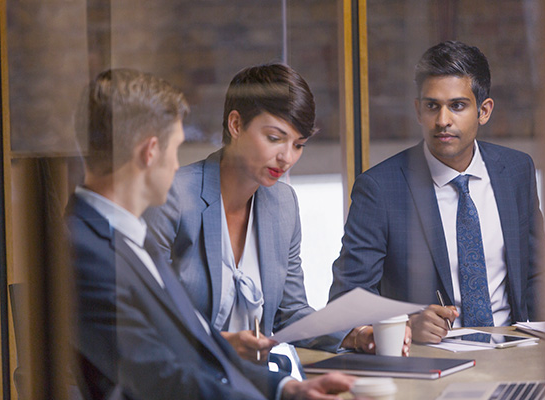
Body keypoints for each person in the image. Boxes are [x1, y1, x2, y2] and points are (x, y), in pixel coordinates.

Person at [67, 68, 355, 399]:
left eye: (298, 144)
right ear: (150, 152)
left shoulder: (127, 235)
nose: (177, 166)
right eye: (175, 150)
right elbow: (162, 374)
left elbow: (195, 345)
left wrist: (285, 389)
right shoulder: (86, 249)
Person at [143, 63, 402, 360]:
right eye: (275, 138)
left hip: (255, 379)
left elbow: (290, 313)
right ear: (236, 125)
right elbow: (147, 319)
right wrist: (223, 345)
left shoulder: (283, 203)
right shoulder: (172, 196)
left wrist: (355, 335)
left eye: (298, 144)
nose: (287, 157)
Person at [329, 41, 545, 344]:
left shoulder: (517, 171)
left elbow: (538, 276)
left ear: (484, 111)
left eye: (457, 106)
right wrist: (405, 324)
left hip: (516, 350)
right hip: (431, 359)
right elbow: (346, 301)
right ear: (418, 111)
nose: (443, 120)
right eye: (432, 106)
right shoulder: (380, 188)